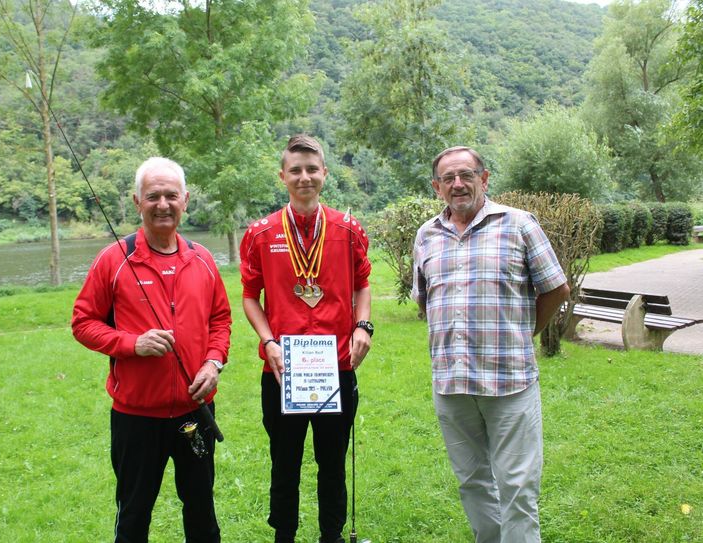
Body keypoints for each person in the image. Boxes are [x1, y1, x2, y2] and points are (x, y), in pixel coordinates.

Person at [412, 146, 570, 543]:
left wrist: (524, 332)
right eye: (448, 179)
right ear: (437, 187)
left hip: (510, 381)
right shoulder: (426, 235)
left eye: (466, 175)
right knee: (473, 483)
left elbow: (556, 287)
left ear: (484, 179)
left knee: (517, 489)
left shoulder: (518, 224)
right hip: (452, 385)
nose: (457, 184)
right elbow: (424, 300)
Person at [72, 157, 231, 543]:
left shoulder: (204, 260)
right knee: (134, 514)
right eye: (153, 196)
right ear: (136, 201)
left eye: (171, 195)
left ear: (186, 200)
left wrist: (214, 361)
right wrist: (131, 343)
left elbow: (220, 320)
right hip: (136, 417)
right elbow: (83, 322)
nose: (163, 204)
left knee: (201, 513)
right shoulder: (113, 260)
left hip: (196, 410)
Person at [240, 134, 374, 543]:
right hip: (283, 370)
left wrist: (363, 326)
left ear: (325, 174)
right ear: (283, 176)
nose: (304, 177)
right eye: (295, 170)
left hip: (336, 366)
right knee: (284, 462)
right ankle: (284, 535)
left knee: (332, 462)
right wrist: (268, 342)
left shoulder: (347, 229)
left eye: (312, 169)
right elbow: (249, 296)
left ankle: (331, 535)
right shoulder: (261, 233)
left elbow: (363, 284)